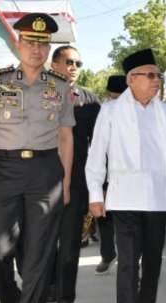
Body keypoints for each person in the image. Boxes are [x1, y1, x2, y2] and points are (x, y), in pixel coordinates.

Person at [0, 13, 75, 303]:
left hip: (46, 173)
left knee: (39, 255)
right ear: (18, 44)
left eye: (42, 44)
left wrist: (66, 183)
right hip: (4, 170)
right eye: (29, 42)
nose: (36, 49)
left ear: (48, 48)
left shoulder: (60, 86)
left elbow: (65, 138)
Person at [86, 48, 166, 303]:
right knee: (129, 263)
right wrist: (95, 194)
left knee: (153, 262)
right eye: (150, 75)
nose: (157, 80)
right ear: (131, 79)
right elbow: (97, 154)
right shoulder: (111, 110)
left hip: (157, 198)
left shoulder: (165, 112)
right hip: (124, 197)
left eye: (158, 76)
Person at [47, 45, 100, 303]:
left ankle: (65, 296)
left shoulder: (89, 100)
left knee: (68, 247)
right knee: (37, 245)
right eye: (69, 62)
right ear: (54, 63)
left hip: (76, 182)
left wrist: (99, 186)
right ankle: (44, 290)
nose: (74, 68)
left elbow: (100, 145)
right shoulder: (37, 92)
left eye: (78, 64)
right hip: (38, 180)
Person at [93, 75, 128, 276]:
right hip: (104, 173)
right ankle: (108, 255)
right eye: (114, 97)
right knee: (104, 218)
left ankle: (129, 259)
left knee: (127, 220)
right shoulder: (103, 111)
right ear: (107, 95)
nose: (116, 101)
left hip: (125, 176)